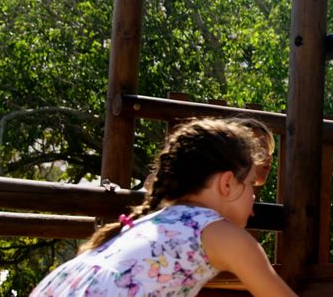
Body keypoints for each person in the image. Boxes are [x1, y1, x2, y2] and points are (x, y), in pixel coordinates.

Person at [31, 119, 296, 297]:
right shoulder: (222, 234)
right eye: (251, 184)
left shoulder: (156, 221)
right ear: (227, 183)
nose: (253, 198)